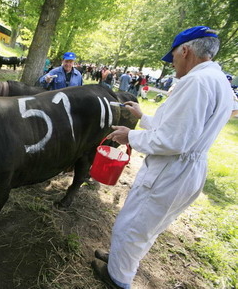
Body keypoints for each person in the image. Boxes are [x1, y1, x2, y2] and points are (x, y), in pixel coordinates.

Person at [91, 26, 235, 289]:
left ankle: (116, 279)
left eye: (173, 59)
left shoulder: (196, 82)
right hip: (186, 170)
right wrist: (143, 118)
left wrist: (130, 136)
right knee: (145, 227)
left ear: (185, 50)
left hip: (171, 170)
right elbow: (180, 126)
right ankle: (119, 263)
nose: (173, 66)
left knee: (133, 226)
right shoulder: (218, 81)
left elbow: (174, 140)